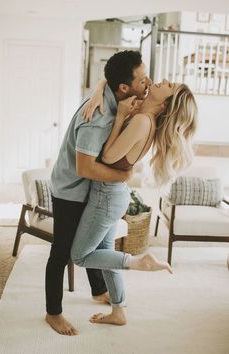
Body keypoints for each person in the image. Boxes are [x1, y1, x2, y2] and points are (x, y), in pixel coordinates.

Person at [70, 76, 198, 326]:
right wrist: (99, 91)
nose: (164, 80)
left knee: (80, 256)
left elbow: (107, 156)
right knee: (105, 254)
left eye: (170, 86)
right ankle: (118, 311)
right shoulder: (144, 117)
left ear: (166, 105)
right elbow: (109, 79)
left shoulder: (141, 121)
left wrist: (119, 117)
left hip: (106, 197)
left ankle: (140, 262)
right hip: (112, 194)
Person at [46, 50, 152, 336]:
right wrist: (123, 175)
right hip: (70, 190)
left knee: (93, 241)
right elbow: (84, 168)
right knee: (62, 252)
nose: (149, 83)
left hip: (85, 188)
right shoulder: (99, 117)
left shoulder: (113, 95)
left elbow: (107, 82)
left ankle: (98, 290)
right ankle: (53, 313)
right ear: (124, 88)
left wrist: (99, 87)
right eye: (143, 79)